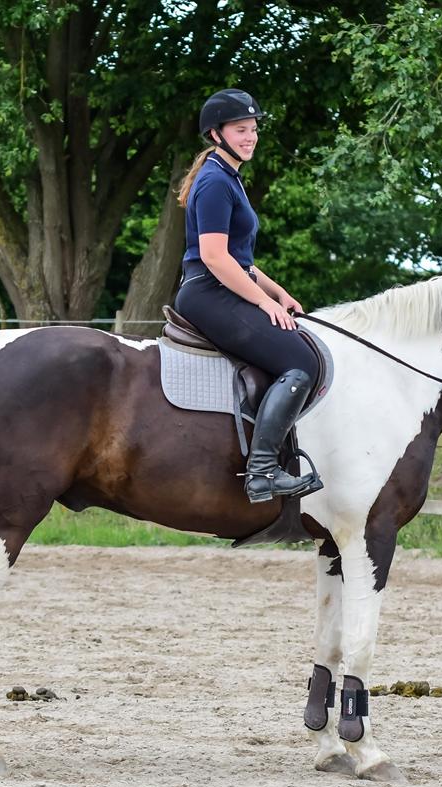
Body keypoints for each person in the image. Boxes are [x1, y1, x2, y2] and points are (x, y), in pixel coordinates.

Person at [173, 88, 322, 504]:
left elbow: (243, 261)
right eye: (241, 130)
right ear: (216, 134)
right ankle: (262, 473)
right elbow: (216, 258)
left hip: (222, 285)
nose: (250, 137)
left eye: (253, 129)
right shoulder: (216, 181)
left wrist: (279, 291)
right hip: (207, 292)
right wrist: (264, 302)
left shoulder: (229, 177)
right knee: (300, 361)